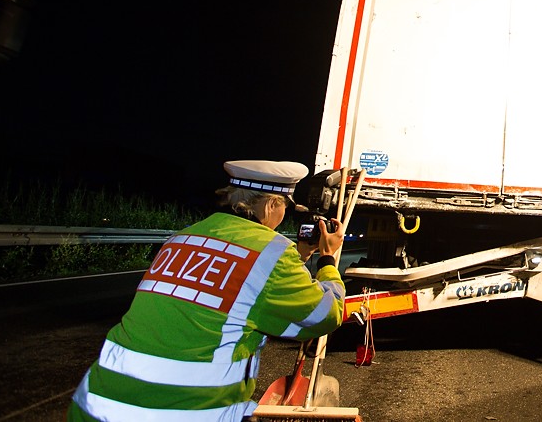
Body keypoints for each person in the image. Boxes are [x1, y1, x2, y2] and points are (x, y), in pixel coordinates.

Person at [68, 159, 347, 421]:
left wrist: (301, 255)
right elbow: (325, 315)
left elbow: (237, 282)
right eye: (284, 206)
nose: (284, 214)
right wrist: (327, 259)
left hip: (95, 404)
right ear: (271, 205)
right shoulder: (273, 251)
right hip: (184, 411)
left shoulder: (181, 238)